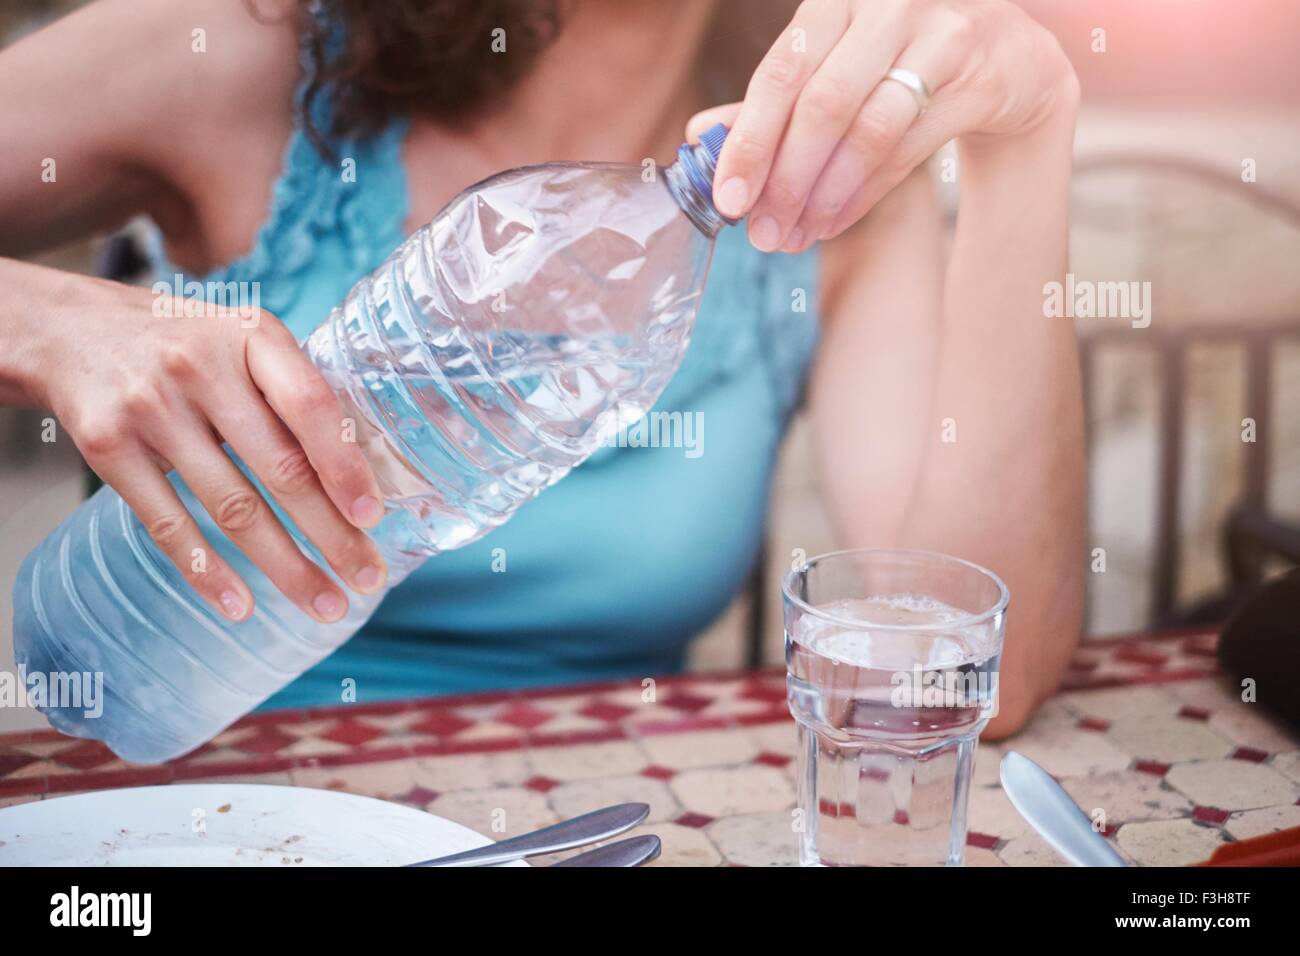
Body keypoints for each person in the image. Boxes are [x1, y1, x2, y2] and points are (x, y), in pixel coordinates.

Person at [0, 0, 1084, 736]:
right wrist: (48, 322)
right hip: (192, 808)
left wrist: (1025, 127)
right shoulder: (242, 42)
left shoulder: (822, 187)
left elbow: (962, 679)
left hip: (582, 820)